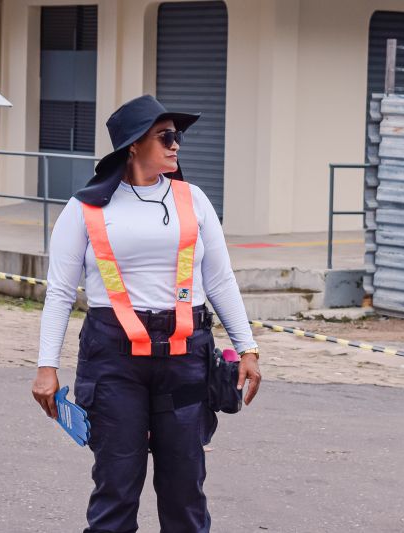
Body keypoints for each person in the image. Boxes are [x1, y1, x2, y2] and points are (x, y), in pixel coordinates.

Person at [31, 94, 261, 533]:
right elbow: (58, 292)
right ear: (133, 145)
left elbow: (220, 280)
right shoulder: (84, 207)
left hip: (185, 357)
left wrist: (247, 347)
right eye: (166, 136)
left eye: (178, 137)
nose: (176, 145)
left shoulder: (193, 200)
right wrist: (47, 367)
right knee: (116, 488)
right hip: (112, 359)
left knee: (185, 490)